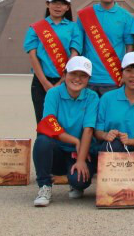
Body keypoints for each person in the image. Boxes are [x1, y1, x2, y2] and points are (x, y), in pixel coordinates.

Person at [32, 56, 99, 207]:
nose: (77, 79)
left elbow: (88, 130)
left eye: (83, 75)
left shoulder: (92, 97)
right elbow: (49, 124)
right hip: (58, 150)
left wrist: (81, 160)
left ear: (89, 79)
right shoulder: (53, 94)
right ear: (64, 74)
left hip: (81, 151)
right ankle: (44, 186)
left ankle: (74, 183)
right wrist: (75, 140)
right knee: (42, 141)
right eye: (73, 74)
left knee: (80, 181)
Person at [24, 0, 81, 124]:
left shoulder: (74, 27)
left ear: (67, 7)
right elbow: (33, 56)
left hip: (67, 81)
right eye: (55, 2)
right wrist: (45, 83)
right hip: (41, 82)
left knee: (65, 122)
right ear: (47, 4)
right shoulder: (35, 28)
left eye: (62, 3)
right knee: (43, 122)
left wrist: (62, 81)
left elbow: (75, 53)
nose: (58, 6)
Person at [94, 52, 134, 180]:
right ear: (122, 73)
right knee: (113, 145)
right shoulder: (107, 98)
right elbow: (97, 130)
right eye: (128, 70)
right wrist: (106, 135)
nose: (133, 76)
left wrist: (129, 141)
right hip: (113, 147)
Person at [76, 0, 134, 96]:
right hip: (88, 77)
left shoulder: (126, 17)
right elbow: (78, 45)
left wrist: (125, 72)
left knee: (111, 115)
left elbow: (129, 47)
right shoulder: (85, 15)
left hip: (114, 78)